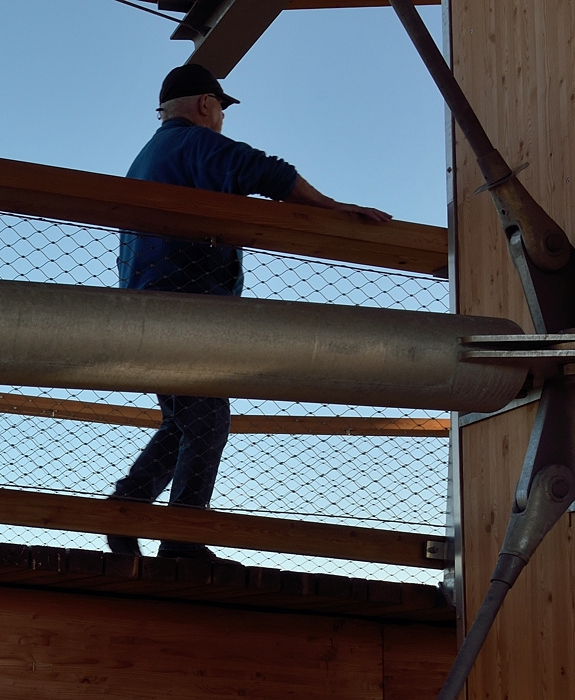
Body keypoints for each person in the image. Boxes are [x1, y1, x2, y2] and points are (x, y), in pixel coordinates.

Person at [108, 63, 391, 559]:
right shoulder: (189, 143)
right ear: (204, 105)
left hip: (149, 309)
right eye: (220, 109)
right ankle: (181, 542)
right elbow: (264, 170)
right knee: (208, 423)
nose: (221, 119)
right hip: (187, 309)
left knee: (185, 422)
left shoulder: (149, 157)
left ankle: (125, 512)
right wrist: (330, 207)